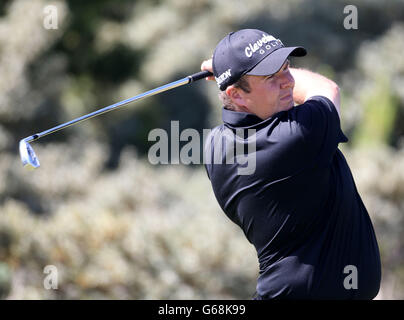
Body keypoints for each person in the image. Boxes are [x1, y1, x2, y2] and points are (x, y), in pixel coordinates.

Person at [201, 29, 381, 300]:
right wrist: (223, 68)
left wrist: (232, 71)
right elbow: (326, 89)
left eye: (286, 67)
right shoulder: (296, 137)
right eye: (272, 76)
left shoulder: (215, 144)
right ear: (236, 95)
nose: (288, 81)